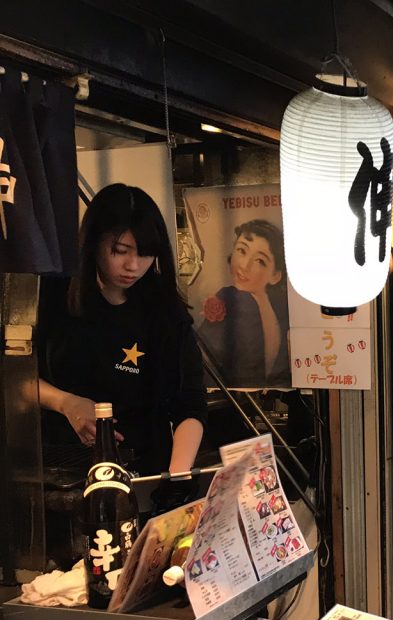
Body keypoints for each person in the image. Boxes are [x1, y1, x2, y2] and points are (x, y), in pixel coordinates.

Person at [37, 184, 207, 476]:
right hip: (60, 470)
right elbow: (15, 377)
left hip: (144, 468)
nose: (134, 266)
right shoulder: (53, 294)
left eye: (146, 254)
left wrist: (176, 473)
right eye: (120, 251)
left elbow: (190, 404)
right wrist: (65, 402)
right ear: (93, 242)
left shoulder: (163, 310)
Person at [198, 219, 289, 387]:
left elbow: (203, 361)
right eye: (242, 250)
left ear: (276, 275)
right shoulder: (279, 305)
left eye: (259, 261)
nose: (244, 265)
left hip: (234, 403)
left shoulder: (231, 298)